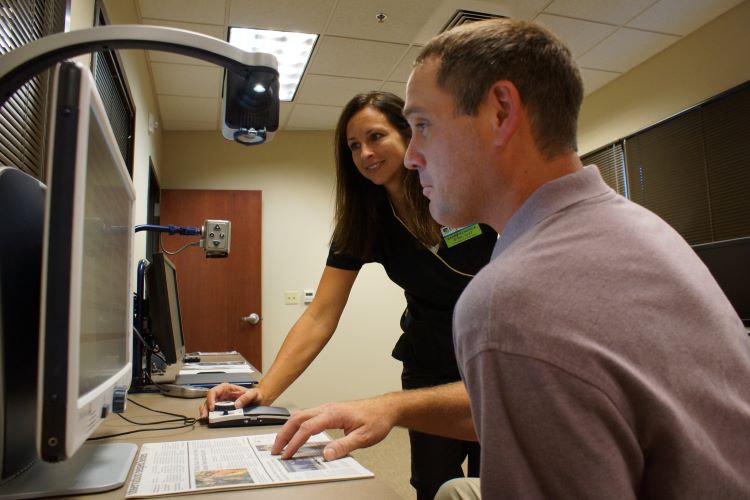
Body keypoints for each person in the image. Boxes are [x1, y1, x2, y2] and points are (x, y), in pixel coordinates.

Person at [271, 18, 750, 499]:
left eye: (421, 127)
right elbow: (538, 402)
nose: (412, 156)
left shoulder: (508, 298)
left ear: (501, 112)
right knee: (452, 489)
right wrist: (392, 406)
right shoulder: (648, 231)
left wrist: (393, 405)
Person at [199, 91, 497, 499]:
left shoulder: (462, 186)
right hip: (431, 360)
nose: (365, 154)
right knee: (433, 484)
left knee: (498, 477)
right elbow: (321, 314)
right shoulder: (366, 219)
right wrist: (264, 390)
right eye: (354, 146)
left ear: (409, 134)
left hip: (497, 354)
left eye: (376, 137)